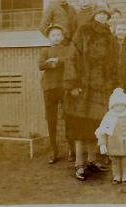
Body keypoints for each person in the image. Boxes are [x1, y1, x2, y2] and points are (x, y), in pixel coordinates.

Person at [64, 3, 117, 181]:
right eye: (100, 14)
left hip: (101, 89)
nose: (102, 17)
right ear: (94, 15)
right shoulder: (83, 31)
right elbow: (72, 58)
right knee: (80, 126)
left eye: (105, 15)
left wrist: (111, 86)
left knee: (96, 126)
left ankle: (93, 161)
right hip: (83, 88)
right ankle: (80, 164)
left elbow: (112, 64)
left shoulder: (110, 36)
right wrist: (73, 84)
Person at [95, 88, 126, 185]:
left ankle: (125, 177)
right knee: (115, 162)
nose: (119, 107)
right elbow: (103, 131)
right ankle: (116, 176)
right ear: (112, 106)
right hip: (113, 144)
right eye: (116, 105)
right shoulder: (109, 116)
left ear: (125, 105)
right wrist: (102, 144)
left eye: (121, 105)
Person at [39, 24, 71, 164]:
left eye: (58, 35)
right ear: (48, 38)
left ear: (62, 36)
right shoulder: (45, 51)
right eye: (53, 35)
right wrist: (51, 63)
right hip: (49, 88)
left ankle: (72, 148)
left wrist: (57, 61)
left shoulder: (67, 50)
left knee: (69, 117)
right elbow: (40, 65)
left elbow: (69, 61)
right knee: (51, 120)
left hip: (63, 87)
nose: (56, 38)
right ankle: (54, 150)